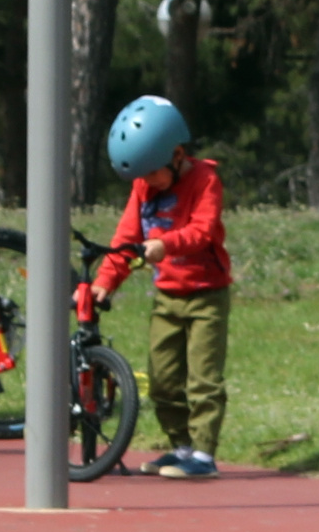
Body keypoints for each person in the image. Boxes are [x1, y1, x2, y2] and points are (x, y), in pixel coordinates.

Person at [80, 95, 229, 478]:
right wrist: (105, 282)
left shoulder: (205, 180)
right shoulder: (144, 189)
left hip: (206, 296)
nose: (147, 184)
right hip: (167, 297)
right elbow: (127, 240)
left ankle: (204, 455)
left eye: (151, 174)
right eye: (141, 178)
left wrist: (166, 245)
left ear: (177, 154)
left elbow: (202, 230)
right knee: (162, 380)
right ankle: (181, 447)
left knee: (203, 380)